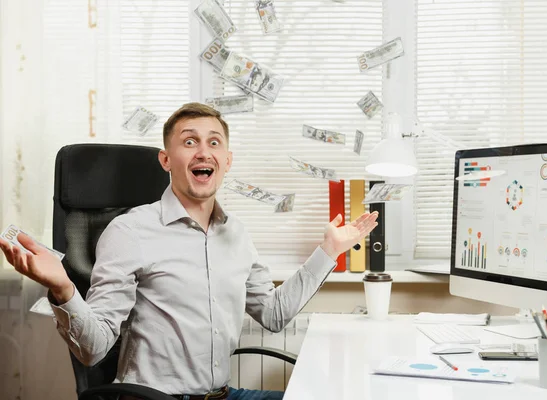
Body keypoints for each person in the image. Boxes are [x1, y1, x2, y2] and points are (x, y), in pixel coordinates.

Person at [0, 103, 379, 400]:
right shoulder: (129, 231)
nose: (203, 151)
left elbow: (274, 315)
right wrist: (63, 288)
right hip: (152, 399)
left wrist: (328, 250)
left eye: (214, 142)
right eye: (189, 141)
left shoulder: (238, 235)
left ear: (227, 161)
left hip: (224, 395)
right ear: (166, 160)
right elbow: (93, 349)